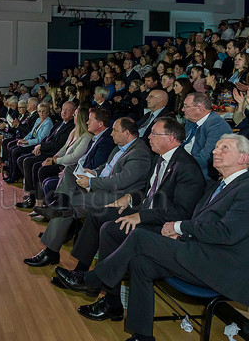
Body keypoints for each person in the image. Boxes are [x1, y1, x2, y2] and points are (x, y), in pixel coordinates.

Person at [54, 135, 249, 341]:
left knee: (140, 237)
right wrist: (182, 233)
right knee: (141, 263)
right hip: (201, 252)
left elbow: (227, 233)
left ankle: (91, 280)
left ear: (243, 158)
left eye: (224, 148)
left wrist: (179, 228)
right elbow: (203, 224)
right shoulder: (220, 185)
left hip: (223, 267)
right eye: (216, 147)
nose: (215, 151)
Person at [59, 117, 206, 312]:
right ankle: (81, 272)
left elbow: (181, 212)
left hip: (162, 224)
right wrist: (129, 198)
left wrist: (140, 217)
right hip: (146, 211)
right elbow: (149, 192)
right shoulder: (160, 159)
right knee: (97, 214)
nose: (149, 137)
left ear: (171, 138)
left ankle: (108, 297)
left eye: (154, 133)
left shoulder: (187, 168)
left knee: (111, 229)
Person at [23, 118, 152, 267]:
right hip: (102, 184)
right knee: (70, 169)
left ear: (127, 133)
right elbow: (106, 166)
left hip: (116, 195)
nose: (111, 134)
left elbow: (119, 182)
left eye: (115, 131)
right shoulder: (120, 147)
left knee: (69, 206)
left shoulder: (139, 153)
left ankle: (51, 252)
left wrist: (91, 182)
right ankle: (60, 201)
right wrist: (94, 172)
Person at [181, 92, 233, 180]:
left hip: (201, 174)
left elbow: (205, 159)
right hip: (186, 164)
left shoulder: (216, 125)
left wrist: (178, 164)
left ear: (199, 108)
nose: (183, 109)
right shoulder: (190, 121)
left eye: (186, 106)